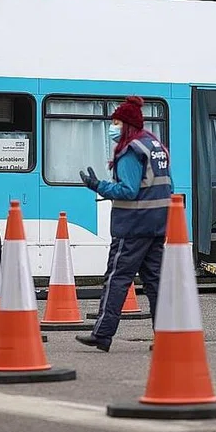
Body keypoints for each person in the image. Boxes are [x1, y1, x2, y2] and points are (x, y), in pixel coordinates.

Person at [75, 96, 172, 352]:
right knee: (156, 282)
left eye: (116, 122)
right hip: (158, 223)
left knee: (117, 278)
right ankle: (165, 335)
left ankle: (102, 334)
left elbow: (128, 190)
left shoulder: (131, 150)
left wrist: (98, 186)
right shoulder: (154, 145)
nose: (112, 127)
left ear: (127, 124)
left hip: (133, 225)